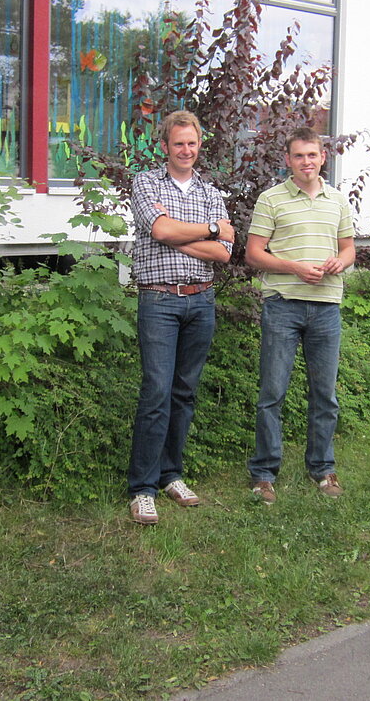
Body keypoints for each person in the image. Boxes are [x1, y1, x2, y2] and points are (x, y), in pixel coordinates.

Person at [127, 110, 233, 525]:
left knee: (184, 393)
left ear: (199, 144)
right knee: (156, 392)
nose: (185, 150)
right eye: (178, 144)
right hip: (159, 301)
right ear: (165, 146)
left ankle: (171, 475)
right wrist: (208, 230)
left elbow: (223, 252)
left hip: (200, 301)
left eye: (191, 143)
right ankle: (143, 488)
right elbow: (160, 231)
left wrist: (178, 235)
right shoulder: (146, 183)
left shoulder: (211, 191)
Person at [245, 127, 355, 504]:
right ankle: (264, 473)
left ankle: (322, 468)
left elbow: (349, 248)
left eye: (312, 155)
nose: (306, 162)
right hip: (283, 305)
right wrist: (294, 267)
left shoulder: (337, 200)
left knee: (325, 394)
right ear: (288, 160)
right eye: (298, 156)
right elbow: (253, 254)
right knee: (272, 392)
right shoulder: (271, 199)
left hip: (326, 307)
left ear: (323, 157)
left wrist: (340, 261)